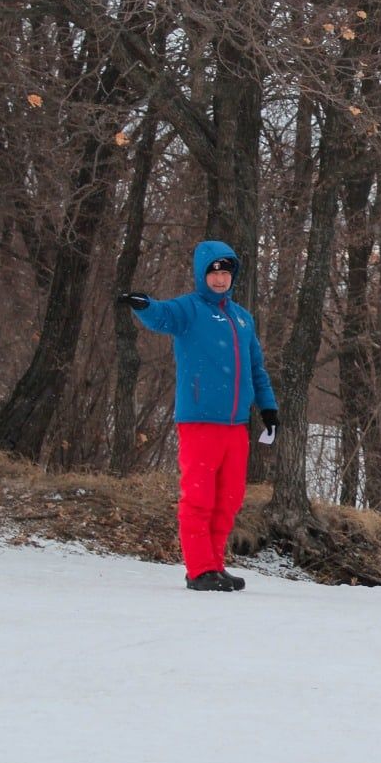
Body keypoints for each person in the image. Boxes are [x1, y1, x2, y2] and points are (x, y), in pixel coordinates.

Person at [117, 240, 278, 592]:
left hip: (236, 425)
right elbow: (162, 315)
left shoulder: (242, 318)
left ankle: (215, 565)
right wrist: (143, 306)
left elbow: (256, 369)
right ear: (202, 274)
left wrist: (269, 409)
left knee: (229, 499)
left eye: (226, 272)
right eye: (214, 272)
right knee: (199, 497)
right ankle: (199, 569)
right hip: (200, 421)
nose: (220, 279)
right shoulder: (190, 309)